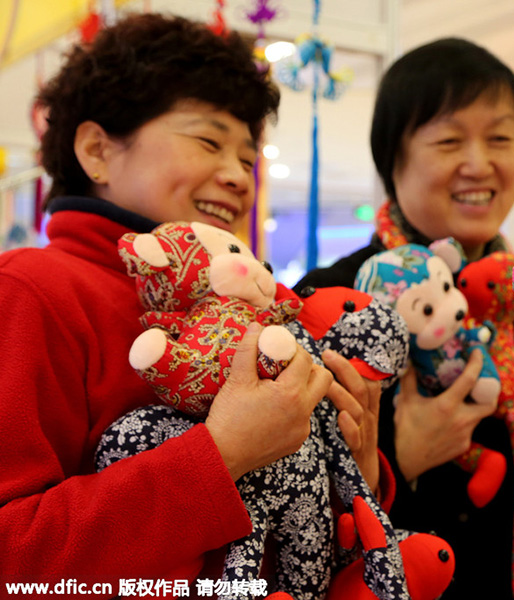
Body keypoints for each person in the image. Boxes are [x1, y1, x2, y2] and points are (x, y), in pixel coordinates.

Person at [0, 13, 385, 597]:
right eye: (209, 141)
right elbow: (12, 558)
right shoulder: (33, 289)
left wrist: (362, 467)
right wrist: (220, 454)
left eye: (249, 159)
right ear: (97, 150)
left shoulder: (266, 306)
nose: (237, 176)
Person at [296, 37, 514, 599]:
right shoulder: (330, 300)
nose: (478, 163)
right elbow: (282, 515)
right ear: (393, 161)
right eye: (449, 140)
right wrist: (397, 461)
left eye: (500, 138)